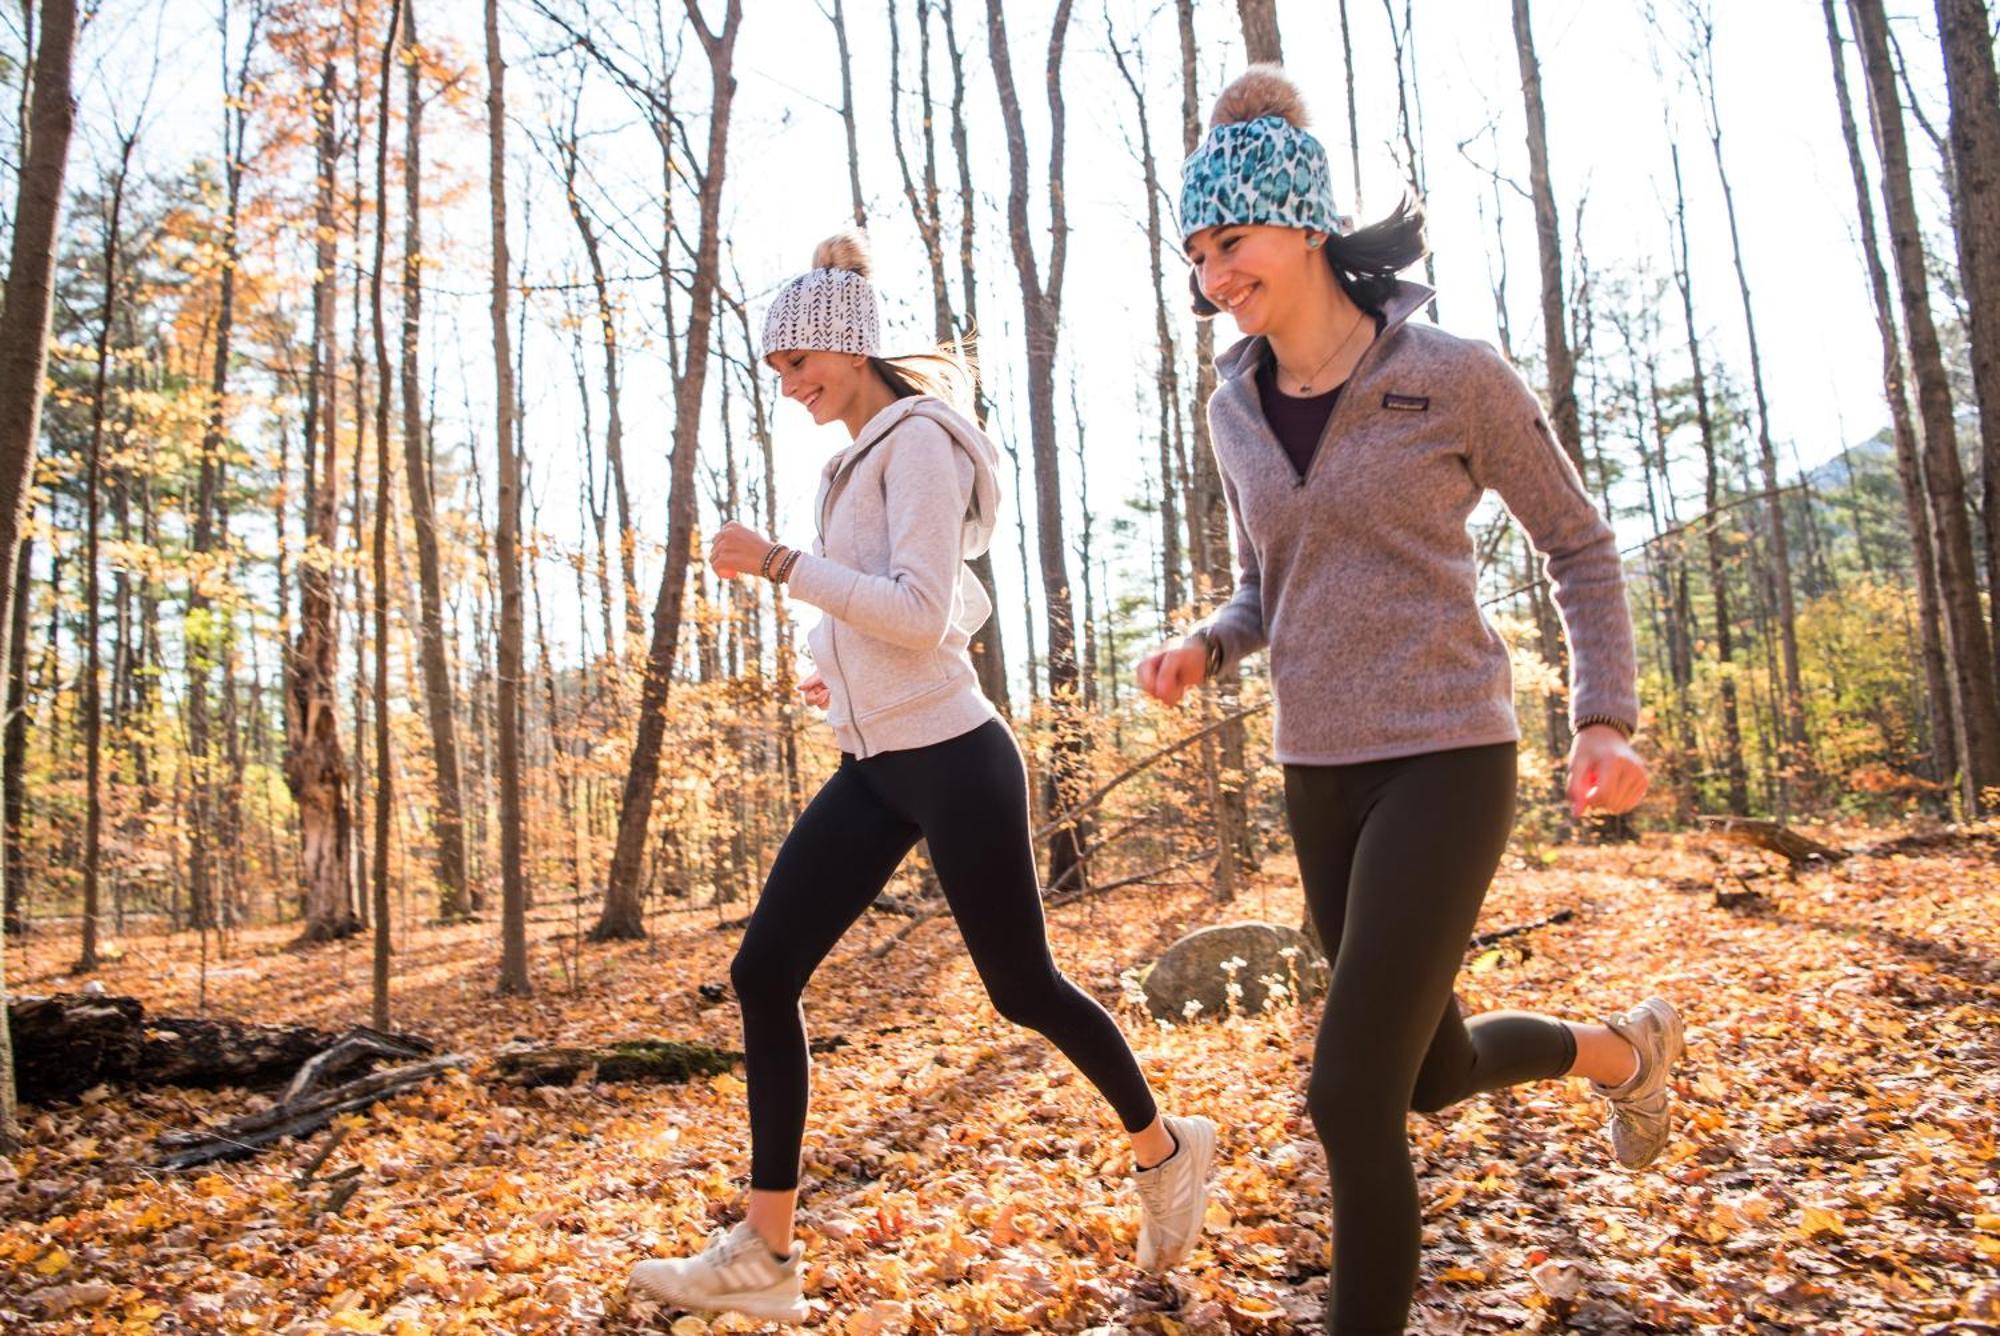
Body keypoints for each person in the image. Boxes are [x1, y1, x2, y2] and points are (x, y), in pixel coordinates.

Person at [1136, 66, 1684, 1334]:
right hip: (1316, 769)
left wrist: (1603, 713)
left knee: (1347, 1093)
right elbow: (1260, 590)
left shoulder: (1453, 374)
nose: (1213, 274)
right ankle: (1621, 1049)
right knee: (1426, 1073)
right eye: (1196, 253)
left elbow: (1579, 545)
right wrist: (1206, 648)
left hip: (1445, 754)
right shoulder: (1231, 405)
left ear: (1303, 221)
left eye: (1232, 242)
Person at [627, 230, 1216, 1323]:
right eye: (777, 370)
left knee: (1020, 989)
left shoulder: (923, 445)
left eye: (800, 363)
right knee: (763, 973)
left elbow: (923, 609)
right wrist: (829, 672)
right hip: (875, 763)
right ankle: (765, 1249)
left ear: (850, 351)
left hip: (956, 759)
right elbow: (922, 611)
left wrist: (778, 566)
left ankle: (1165, 1142)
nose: (790, 386)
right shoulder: (851, 462)